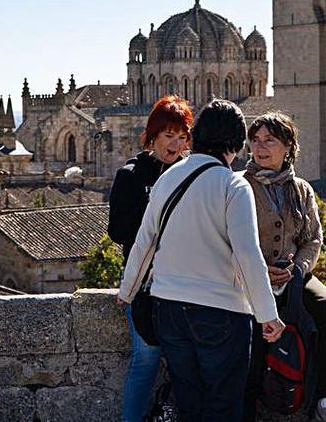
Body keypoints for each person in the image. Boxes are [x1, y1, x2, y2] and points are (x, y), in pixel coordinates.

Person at [118, 100, 286, 421]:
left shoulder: (167, 178)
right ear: (235, 144)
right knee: (223, 406)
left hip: (167, 309)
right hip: (219, 313)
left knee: (189, 404)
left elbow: (145, 242)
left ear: (195, 137)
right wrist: (268, 314)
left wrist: (127, 291)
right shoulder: (233, 184)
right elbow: (247, 255)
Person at [240, 111, 326, 422]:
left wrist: (295, 270)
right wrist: (260, 270)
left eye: (269, 141)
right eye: (255, 140)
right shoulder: (239, 186)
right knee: (254, 345)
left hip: (294, 276)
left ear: (287, 146)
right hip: (250, 279)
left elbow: (313, 238)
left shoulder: (301, 190)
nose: (260, 148)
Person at [108, 96, 192, 422]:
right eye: (169, 134)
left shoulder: (190, 175)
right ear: (153, 135)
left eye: (182, 136)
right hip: (143, 282)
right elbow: (118, 230)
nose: (176, 143)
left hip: (184, 281)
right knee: (146, 359)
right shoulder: (130, 175)